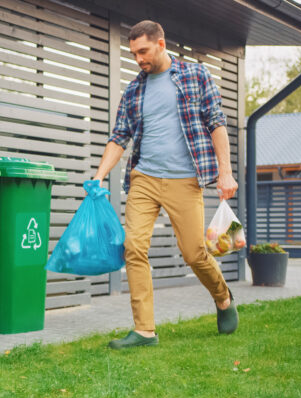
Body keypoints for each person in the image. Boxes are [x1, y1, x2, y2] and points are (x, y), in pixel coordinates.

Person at [92, 20, 239, 349]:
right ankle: (145, 330)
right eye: (133, 53)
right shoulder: (134, 89)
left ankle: (223, 298)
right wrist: (99, 174)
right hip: (143, 178)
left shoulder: (195, 75)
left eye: (143, 51)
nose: (138, 58)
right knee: (133, 248)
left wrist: (225, 172)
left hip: (185, 179)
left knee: (194, 253)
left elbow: (216, 122)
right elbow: (119, 137)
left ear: (161, 44)